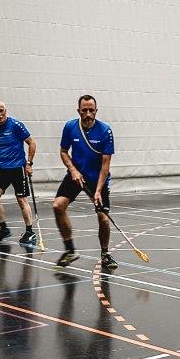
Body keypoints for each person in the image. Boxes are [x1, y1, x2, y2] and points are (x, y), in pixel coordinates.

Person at [54, 95, 117, 270]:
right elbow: (63, 151)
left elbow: (105, 165)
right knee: (58, 206)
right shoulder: (70, 127)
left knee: (103, 218)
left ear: (96, 111)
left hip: (97, 178)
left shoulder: (105, 131)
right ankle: (70, 250)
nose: (88, 114)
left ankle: (105, 254)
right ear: (78, 111)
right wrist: (73, 170)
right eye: (84, 110)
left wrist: (98, 191)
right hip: (76, 175)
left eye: (91, 110)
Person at [0, 100, 37, 246]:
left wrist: (29, 163)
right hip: (3, 168)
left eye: (1, 111)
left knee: (21, 200)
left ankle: (30, 231)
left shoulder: (16, 125)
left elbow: (32, 143)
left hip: (18, 168)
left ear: (5, 111)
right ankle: (4, 228)